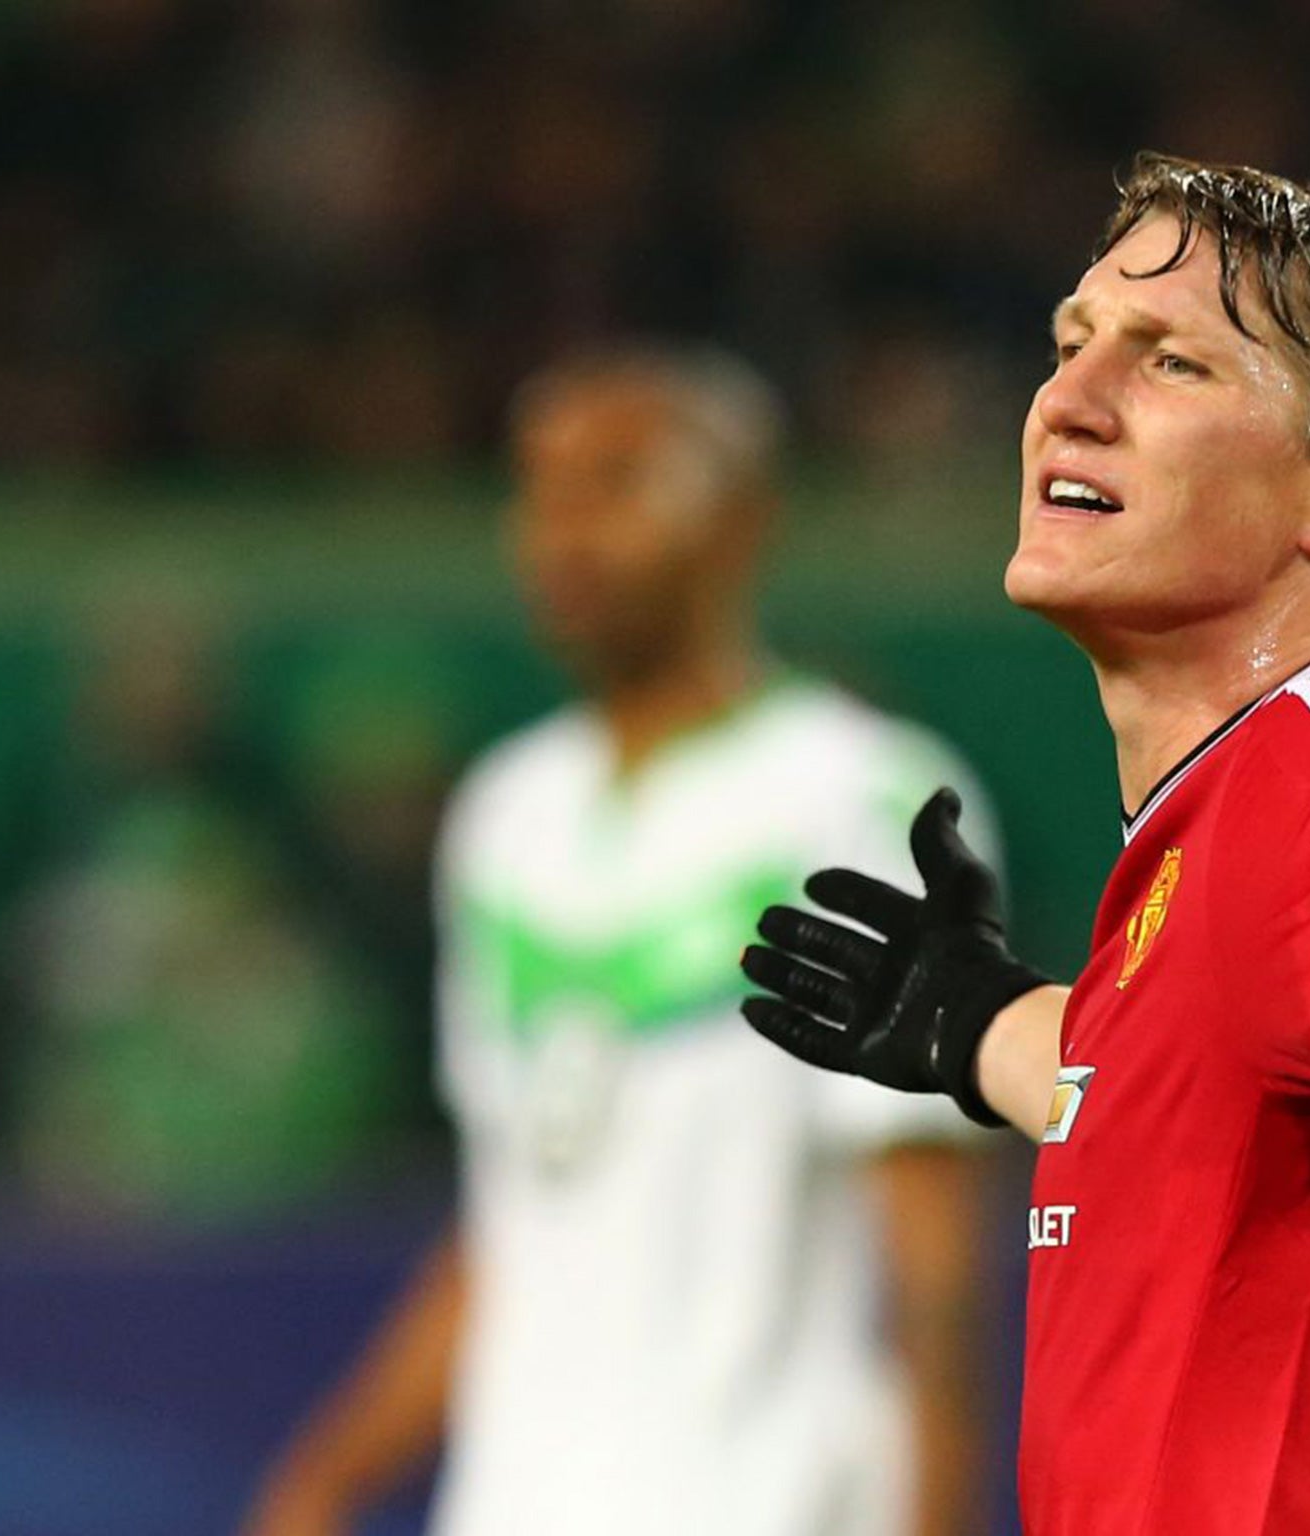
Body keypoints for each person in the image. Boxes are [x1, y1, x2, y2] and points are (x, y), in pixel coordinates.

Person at [740, 153, 1310, 1533]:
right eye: (1072, 344)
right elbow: (1185, 1084)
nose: (1065, 404)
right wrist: (985, 1026)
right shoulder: (1234, 806)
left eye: (1171, 366)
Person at [244, 348, 995, 1536]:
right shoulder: (506, 814)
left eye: (617, 483)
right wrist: (325, 1476)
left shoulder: (862, 798)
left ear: (745, 521)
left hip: (771, 1501)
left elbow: (933, 1258)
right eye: (540, 488)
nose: (563, 531)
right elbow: (512, 1218)